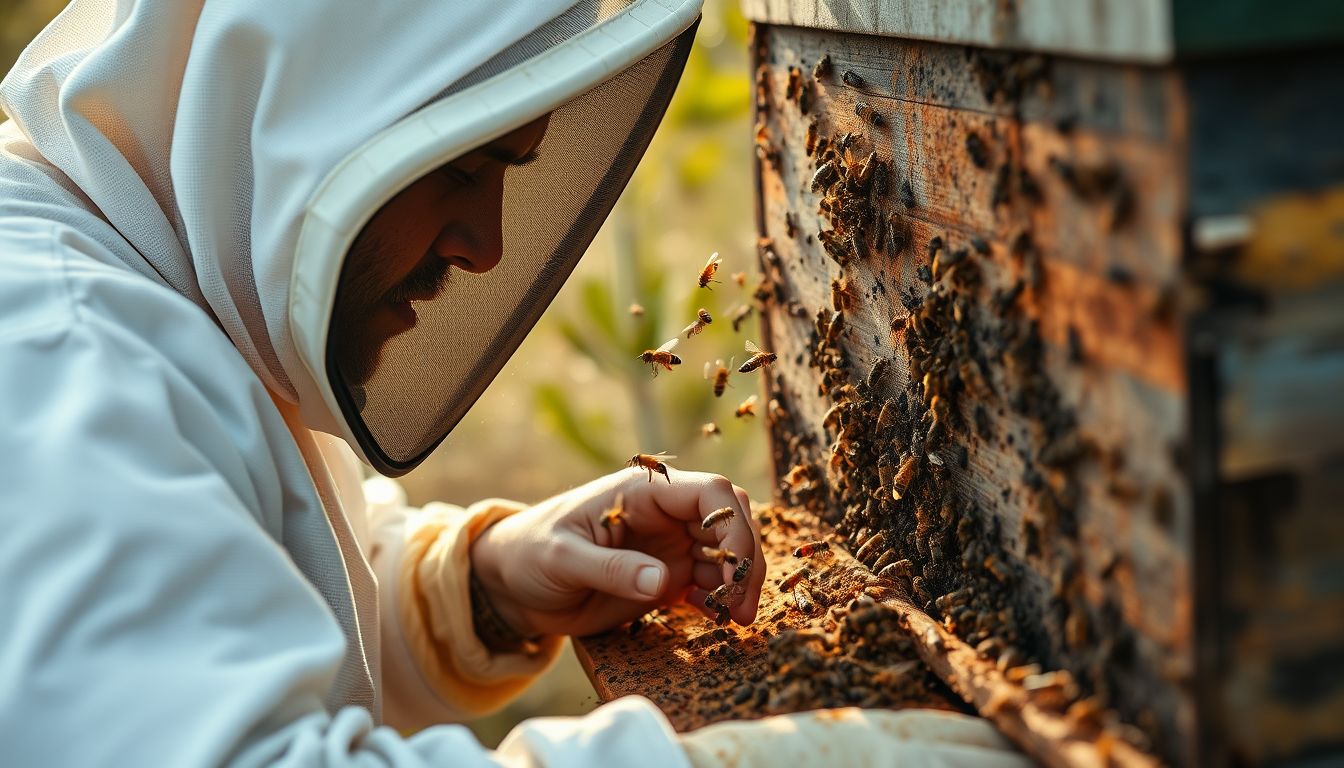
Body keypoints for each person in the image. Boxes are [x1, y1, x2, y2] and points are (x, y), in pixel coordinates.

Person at [0, 0, 1032, 765]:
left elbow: (222, 605)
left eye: (505, 173)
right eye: (458, 168)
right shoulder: (64, 356)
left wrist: (477, 583)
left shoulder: (139, 291)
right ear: (298, 123)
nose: (486, 245)